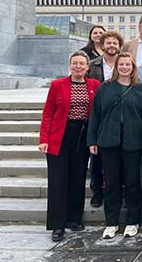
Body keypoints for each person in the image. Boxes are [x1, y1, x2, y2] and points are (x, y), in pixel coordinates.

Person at [87, 53, 142, 240]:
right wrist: (92, 140)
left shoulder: (140, 89)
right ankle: (111, 222)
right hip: (108, 142)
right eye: (121, 64)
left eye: (127, 64)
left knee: (132, 182)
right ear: (116, 67)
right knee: (112, 182)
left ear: (133, 67)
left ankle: (133, 221)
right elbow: (95, 115)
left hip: (133, 142)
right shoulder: (105, 88)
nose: (124, 67)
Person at [39, 51, 100, 242]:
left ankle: (74, 219)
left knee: (78, 178)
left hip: (82, 136)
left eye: (82, 64)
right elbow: (48, 112)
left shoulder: (94, 85)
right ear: (69, 65)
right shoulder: (58, 85)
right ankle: (58, 225)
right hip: (60, 136)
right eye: (75, 63)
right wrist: (44, 138)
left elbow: (96, 113)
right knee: (58, 181)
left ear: (88, 67)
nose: (78, 67)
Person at [86, 30, 124, 208]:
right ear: (102, 45)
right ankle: (97, 192)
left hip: (120, 115)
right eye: (108, 43)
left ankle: (117, 190)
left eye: (114, 43)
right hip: (99, 113)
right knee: (97, 158)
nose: (111, 46)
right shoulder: (93, 65)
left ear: (119, 45)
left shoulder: (125, 64)